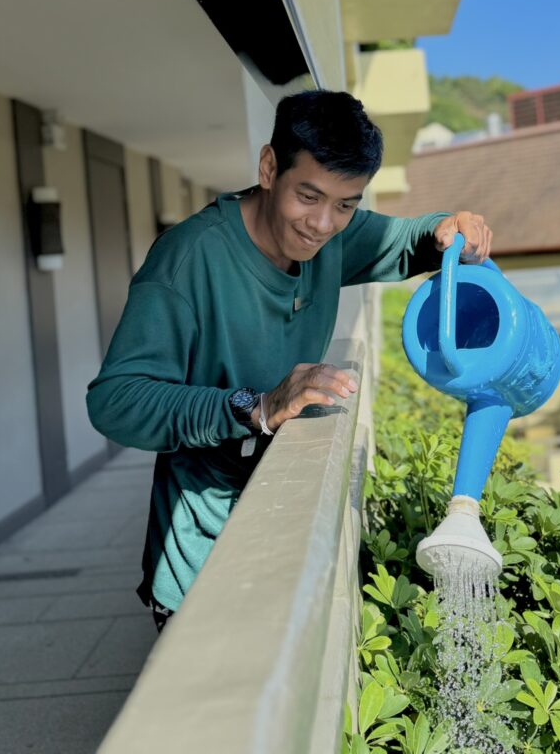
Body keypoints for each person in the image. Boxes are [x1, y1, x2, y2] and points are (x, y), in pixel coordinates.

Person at [87, 90, 493, 630]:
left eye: (346, 204)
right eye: (309, 195)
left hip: (284, 534)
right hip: (202, 557)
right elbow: (114, 401)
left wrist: (453, 228)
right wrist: (255, 406)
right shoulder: (187, 259)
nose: (322, 224)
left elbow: (407, 240)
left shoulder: (333, 239)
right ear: (269, 167)